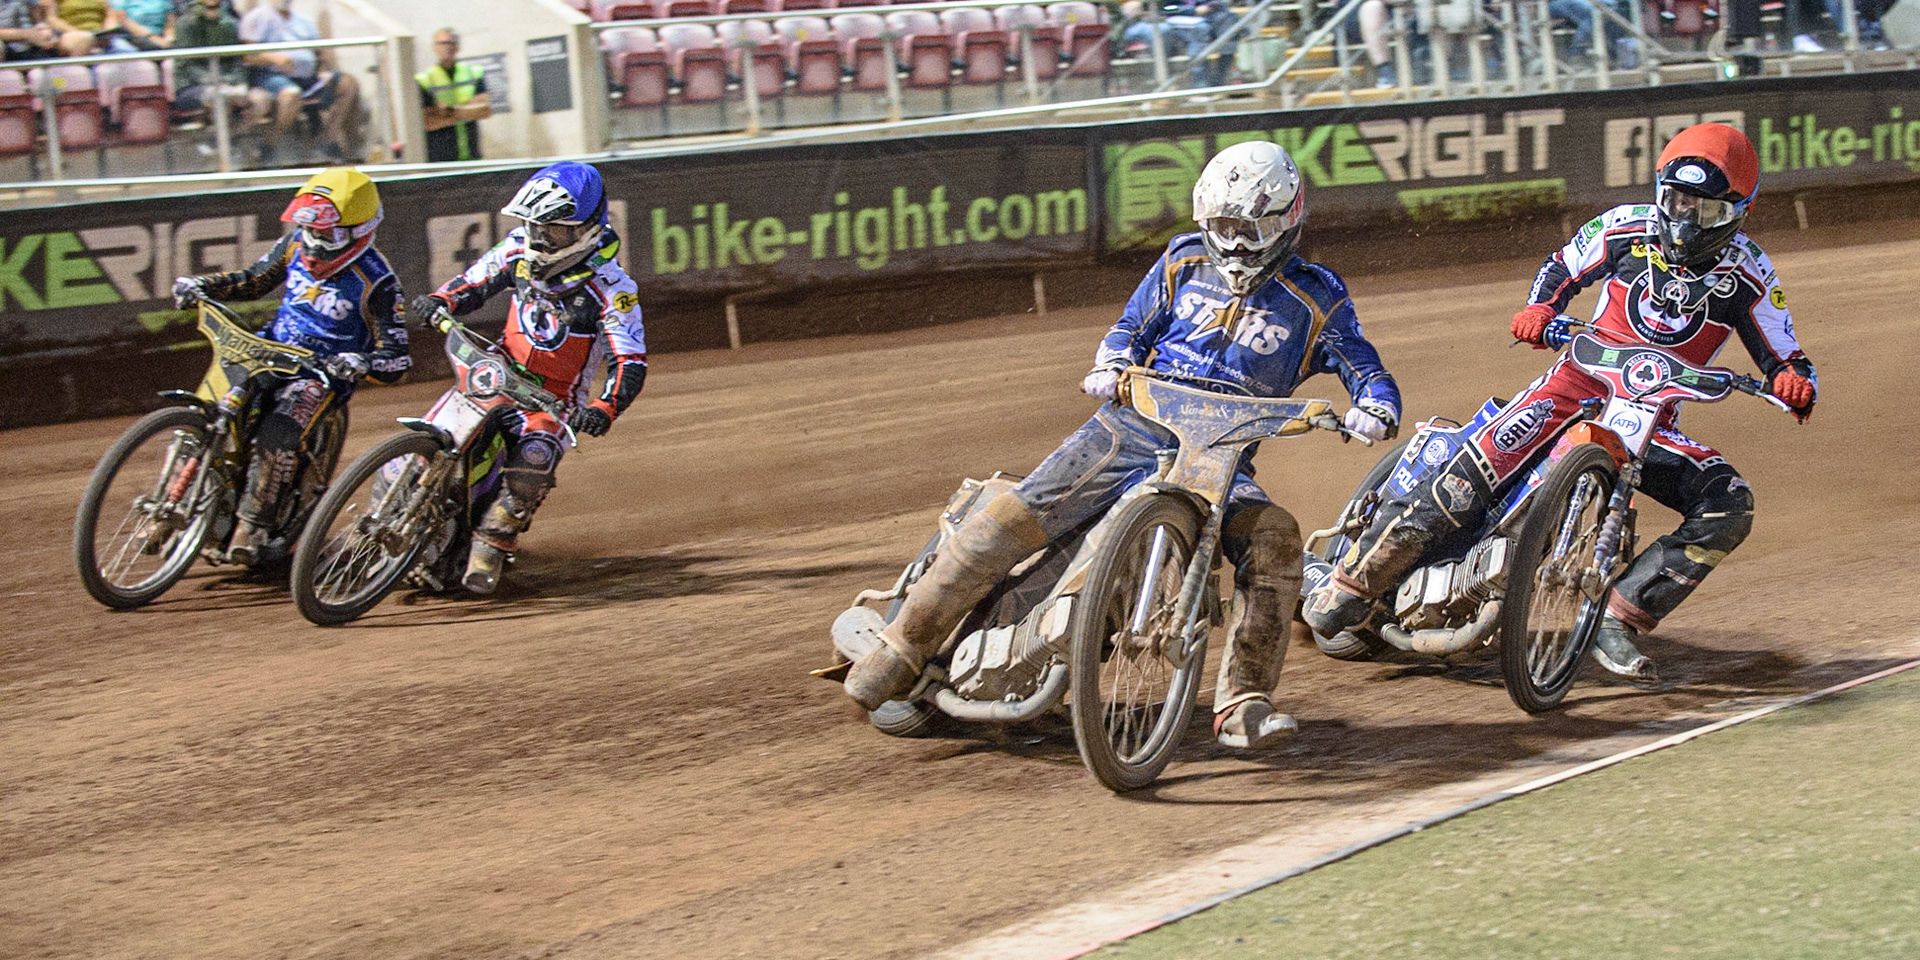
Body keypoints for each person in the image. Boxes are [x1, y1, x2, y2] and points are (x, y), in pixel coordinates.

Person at [841, 141, 1404, 748]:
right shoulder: (1181, 260)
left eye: (1252, 227)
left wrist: (1376, 406)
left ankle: (1242, 702)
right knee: (1013, 515)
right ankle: (902, 647)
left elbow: (1365, 367)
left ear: (1287, 219)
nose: (1237, 242)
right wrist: (1111, 362)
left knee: (1275, 539)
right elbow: (1130, 328)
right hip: (1129, 427)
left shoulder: (1317, 296)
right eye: (1223, 226)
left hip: (1222, 456)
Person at [1304, 123, 1817, 682]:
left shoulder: (1752, 273)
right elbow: (1561, 266)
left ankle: (1617, 618)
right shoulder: (1625, 227)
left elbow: (1786, 352)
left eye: (1707, 211)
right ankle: (1353, 581)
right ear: (1660, 191)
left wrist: (1793, 380)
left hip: (1652, 423)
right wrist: (1540, 309)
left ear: (1738, 213)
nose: (1687, 218)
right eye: (1677, 200)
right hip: (1573, 385)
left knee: (1729, 505)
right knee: (1474, 465)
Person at [409, 161, 647, 594]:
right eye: (534, 225)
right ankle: (393, 507)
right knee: (428, 440)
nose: (539, 237)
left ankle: (492, 543)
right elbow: (473, 284)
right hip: (495, 372)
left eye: (552, 229)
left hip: (551, 401)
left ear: (586, 230)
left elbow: (629, 361)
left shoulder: (613, 288)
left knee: (532, 465)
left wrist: (604, 408)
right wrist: (439, 301)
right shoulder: (518, 250)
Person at [170, 168, 411, 565]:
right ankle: (177, 498)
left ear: (361, 230)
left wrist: (360, 361)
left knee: (278, 435)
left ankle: (254, 523)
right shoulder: (294, 245)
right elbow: (252, 280)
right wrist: (202, 285)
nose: (315, 244)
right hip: (267, 351)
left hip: (319, 375)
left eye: (329, 234)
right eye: (310, 230)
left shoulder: (378, 281)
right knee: (210, 413)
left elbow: (398, 357)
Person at [239, 0, 362, 163]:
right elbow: (248, 55)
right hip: (272, 77)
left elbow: (319, 54)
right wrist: (274, 58)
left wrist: (325, 70)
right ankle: (269, 146)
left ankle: (328, 139)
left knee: (347, 83)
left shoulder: (303, 21)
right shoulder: (256, 18)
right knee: (291, 95)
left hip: (308, 78)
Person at [417, 28, 490, 163]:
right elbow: (428, 121)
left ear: (457, 46)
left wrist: (448, 111)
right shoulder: (424, 79)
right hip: (440, 158)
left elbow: (484, 110)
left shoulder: (473, 72)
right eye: (442, 43)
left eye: (450, 43)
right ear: (434, 47)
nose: (447, 47)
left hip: (471, 154)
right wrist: (468, 111)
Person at [171, 0, 242, 119]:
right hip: (191, 86)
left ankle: (239, 135)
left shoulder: (229, 22)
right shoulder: (185, 24)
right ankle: (217, 136)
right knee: (219, 96)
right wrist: (218, 81)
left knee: (257, 98)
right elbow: (188, 65)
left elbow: (237, 61)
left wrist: (234, 82)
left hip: (226, 81)